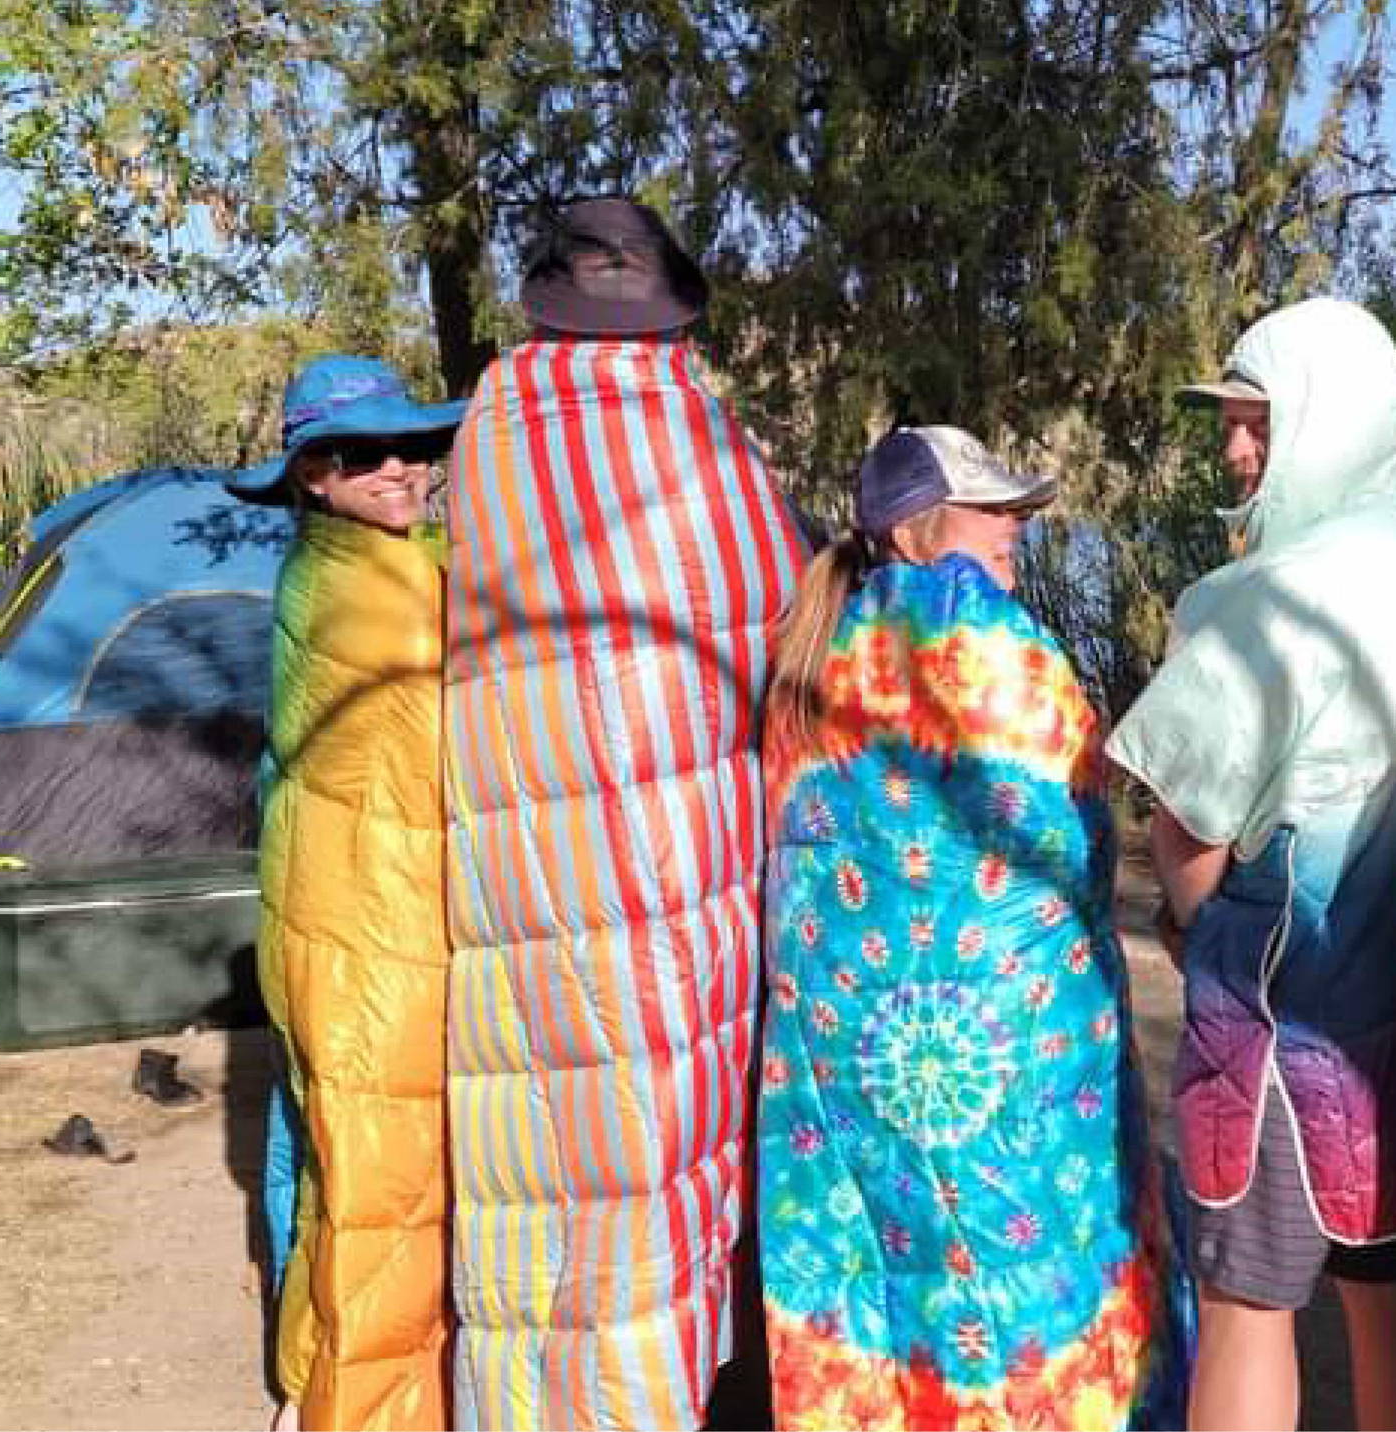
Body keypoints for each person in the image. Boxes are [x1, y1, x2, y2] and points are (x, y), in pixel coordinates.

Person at [1107, 297, 1396, 1431]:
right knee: (1385, 1301)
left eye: (1258, 424)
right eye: (1231, 423)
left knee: (1245, 1305)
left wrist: (1197, 933)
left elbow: (1185, 823)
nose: (1235, 449)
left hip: (1282, 1026)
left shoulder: (1276, 592)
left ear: (1326, 424)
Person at [440, 197, 807, 1429]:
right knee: (664, 1160)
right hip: (670, 876)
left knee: (545, 1167)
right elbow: (781, 614)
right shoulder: (692, 436)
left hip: (520, 876)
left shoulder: (487, 432)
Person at [751, 426, 1188, 1430]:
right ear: (914, 531)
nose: (1017, 529)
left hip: (849, 1061)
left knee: (897, 1286)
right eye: (993, 508)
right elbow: (1076, 818)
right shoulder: (978, 637)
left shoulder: (811, 656)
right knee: (1021, 1287)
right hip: (999, 1072)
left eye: (1022, 510)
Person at [233, 355, 460, 1431]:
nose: (401, 469)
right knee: (383, 1190)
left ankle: (305, 1385)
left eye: (415, 446)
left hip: (335, 911)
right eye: (364, 453)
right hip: (368, 926)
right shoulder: (373, 594)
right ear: (311, 476)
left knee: (332, 1171)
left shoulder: (376, 560)